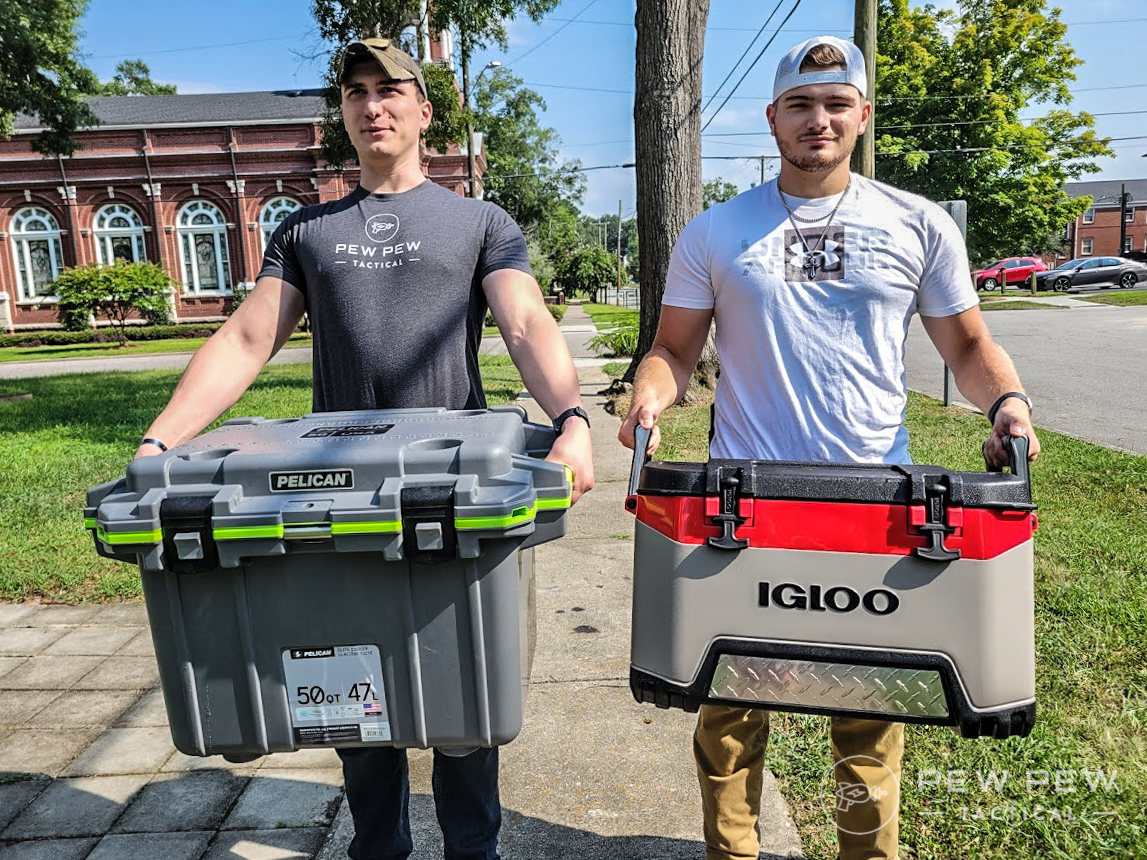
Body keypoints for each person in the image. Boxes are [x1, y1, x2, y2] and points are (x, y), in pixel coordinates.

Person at [135, 37, 593, 860]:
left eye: (390, 90)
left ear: (424, 111)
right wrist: (160, 440)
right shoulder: (306, 230)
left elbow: (525, 321)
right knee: (354, 685)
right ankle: (376, 848)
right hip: (334, 493)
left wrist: (573, 420)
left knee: (461, 706)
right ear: (342, 113)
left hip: (446, 497)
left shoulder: (478, 221)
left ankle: (472, 850)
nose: (373, 105)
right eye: (355, 92)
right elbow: (246, 338)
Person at [619, 35, 1039, 860]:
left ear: (861, 116)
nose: (818, 119)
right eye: (801, 106)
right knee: (730, 711)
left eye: (836, 103)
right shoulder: (715, 231)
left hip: (873, 502)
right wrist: (648, 394)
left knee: (870, 713)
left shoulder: (914, 223)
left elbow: (965, 347)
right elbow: (672, 350)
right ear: (772, 118)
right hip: (743, 504)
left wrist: (1008, 403)